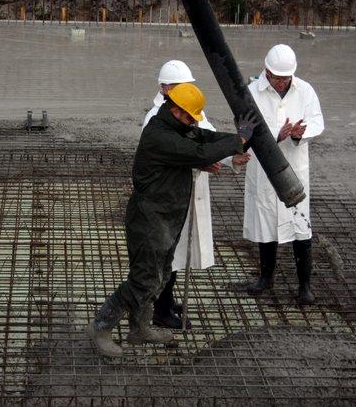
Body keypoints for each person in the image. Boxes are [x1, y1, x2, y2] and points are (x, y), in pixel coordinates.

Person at [86, 83, 259, 357]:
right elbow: (198, 153)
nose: (193, 121)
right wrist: (237, 140)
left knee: (161, 276)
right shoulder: (158, 135)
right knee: (143, 280)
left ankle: (140, 328)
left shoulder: (178, 127)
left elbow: (203, 139)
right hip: (149, 220)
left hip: (167, 217)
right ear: (176, 110)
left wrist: (242, 139)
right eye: (190, 116)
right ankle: (101, 326)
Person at [143, 60, 250, 329]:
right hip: (170, 195)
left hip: (188, 191)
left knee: (179, 253)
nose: (184, 92)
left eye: (186, 87)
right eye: (178, 87)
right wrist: (202, 160)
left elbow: (208, 139)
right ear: (164, 88)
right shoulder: (155, 118)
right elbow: (184, 153)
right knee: (170, 252)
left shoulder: (190, 111)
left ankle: (166, 300)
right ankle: (160, 309)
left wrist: (231, 159)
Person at [243, 44, 324, 304]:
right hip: (264, 169)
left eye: (285, 78)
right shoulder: (251, 92)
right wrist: (276, 136)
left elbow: (317, 120)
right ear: (266, 71)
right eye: (276, 77)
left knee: (301, 226)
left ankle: (305, 286)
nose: (280, 83)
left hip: (294, 169)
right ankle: (266, 277)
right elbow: (245, 127)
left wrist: (301, 133)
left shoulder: (305, 90)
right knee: (266, 225)